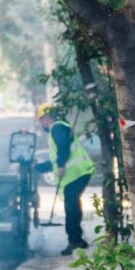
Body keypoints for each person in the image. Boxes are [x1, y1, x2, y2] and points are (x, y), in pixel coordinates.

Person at [38, 104, 93, 254]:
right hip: (76, 174)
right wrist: (37, 167)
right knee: (72, 206)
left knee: (71, 207)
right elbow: (55, 160)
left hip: (77, 173)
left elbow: (63, 148)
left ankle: (75, 241)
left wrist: (61, 164)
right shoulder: (57, 129)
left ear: (46, 119)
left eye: (41, 120)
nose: (41, 123)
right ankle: (76, 240)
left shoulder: (57, 127)